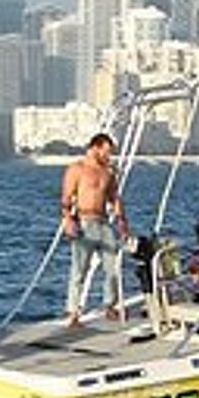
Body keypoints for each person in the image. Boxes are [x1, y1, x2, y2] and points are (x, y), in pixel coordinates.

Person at [59, 132, 129, 325]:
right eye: (106, 151)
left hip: (103, 223)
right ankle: (73, 312)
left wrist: (123, 223)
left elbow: (114, 198)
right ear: (95, 148)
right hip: (83, 222)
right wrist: (68, 220)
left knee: (112, 267)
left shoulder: (107, 172)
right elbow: (66, 196)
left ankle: (110, 305)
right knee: (79, 269)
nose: (109, 156)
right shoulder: (77, 169)